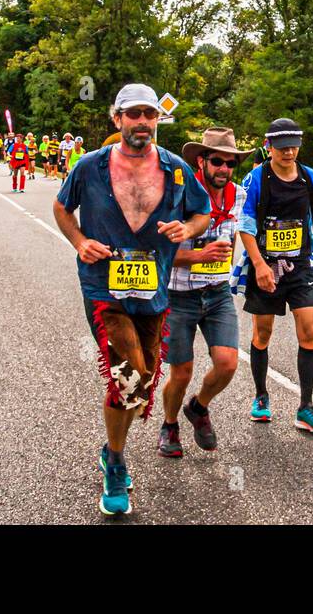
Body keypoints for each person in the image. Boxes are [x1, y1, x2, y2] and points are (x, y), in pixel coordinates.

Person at [53, 84, 210, 516]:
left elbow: (201, 212)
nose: (142, 121)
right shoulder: (90, 166)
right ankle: (117, 466)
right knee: (130, 375)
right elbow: (62, 208)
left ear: (158, 119)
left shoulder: (177, 169)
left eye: (150, 114)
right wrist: (80, 241)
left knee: (141, 383)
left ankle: (111, 449)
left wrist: (188, 230)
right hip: (104, 288)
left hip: (154, 288)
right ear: (116, 118)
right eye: (133, 114)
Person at [156, 127, 247, 458]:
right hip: (179, 296)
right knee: (181, 372)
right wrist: (198, 256)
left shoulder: (237, 194)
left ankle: (198, 407)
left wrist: (226, 268)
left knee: (227, 364)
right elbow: (160, 253)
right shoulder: (179, 195)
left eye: (230, 163)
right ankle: (169, 425)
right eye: (217, 161)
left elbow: (232, 235)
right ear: (201, 160)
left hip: (217, 293)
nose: (224, 169)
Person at [237, 118, 313, 433]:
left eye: (293, 146)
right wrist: (259, 265)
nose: (288, 152)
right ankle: (261, 395)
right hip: (265, 265)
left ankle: (305, 407)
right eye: (282, 148)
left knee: (309, 331)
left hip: (300, 266)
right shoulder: (257, 179)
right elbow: (246, 226)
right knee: (262, 334)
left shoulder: (310, 178)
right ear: (270, 147)